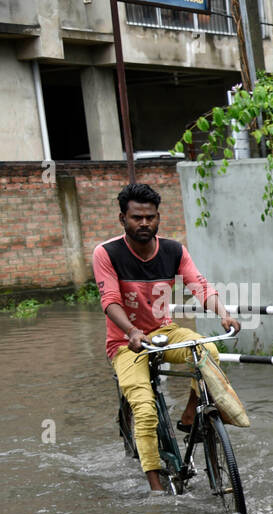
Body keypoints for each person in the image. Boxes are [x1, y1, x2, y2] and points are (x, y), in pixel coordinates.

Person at [95, 183, 242, 491]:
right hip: (126, 342)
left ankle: (191, 414)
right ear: (123, 219)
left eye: (150, 217)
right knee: (145, 411)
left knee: (208, 352)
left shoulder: (174, 250)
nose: (144, 223)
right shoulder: (107, 253)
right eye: (137, 217)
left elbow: (199, 285)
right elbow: (109, 300)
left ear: (158, 218)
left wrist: (223, 313)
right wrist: (132, 331)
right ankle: (156, 487)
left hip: (164, 330)